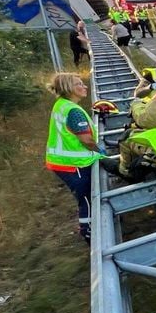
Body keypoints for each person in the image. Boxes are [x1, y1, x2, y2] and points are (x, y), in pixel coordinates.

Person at [45, 73, 104, 243]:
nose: (84, 87)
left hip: (61, 162)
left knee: (85, 197)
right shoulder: (73, 111)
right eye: (79, 84)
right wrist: (100, 152)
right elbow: (85, 140)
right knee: (86, 198)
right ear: (69, 88)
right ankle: (89, 233)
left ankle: (90, 229)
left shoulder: (61, 105)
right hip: (73, 164)